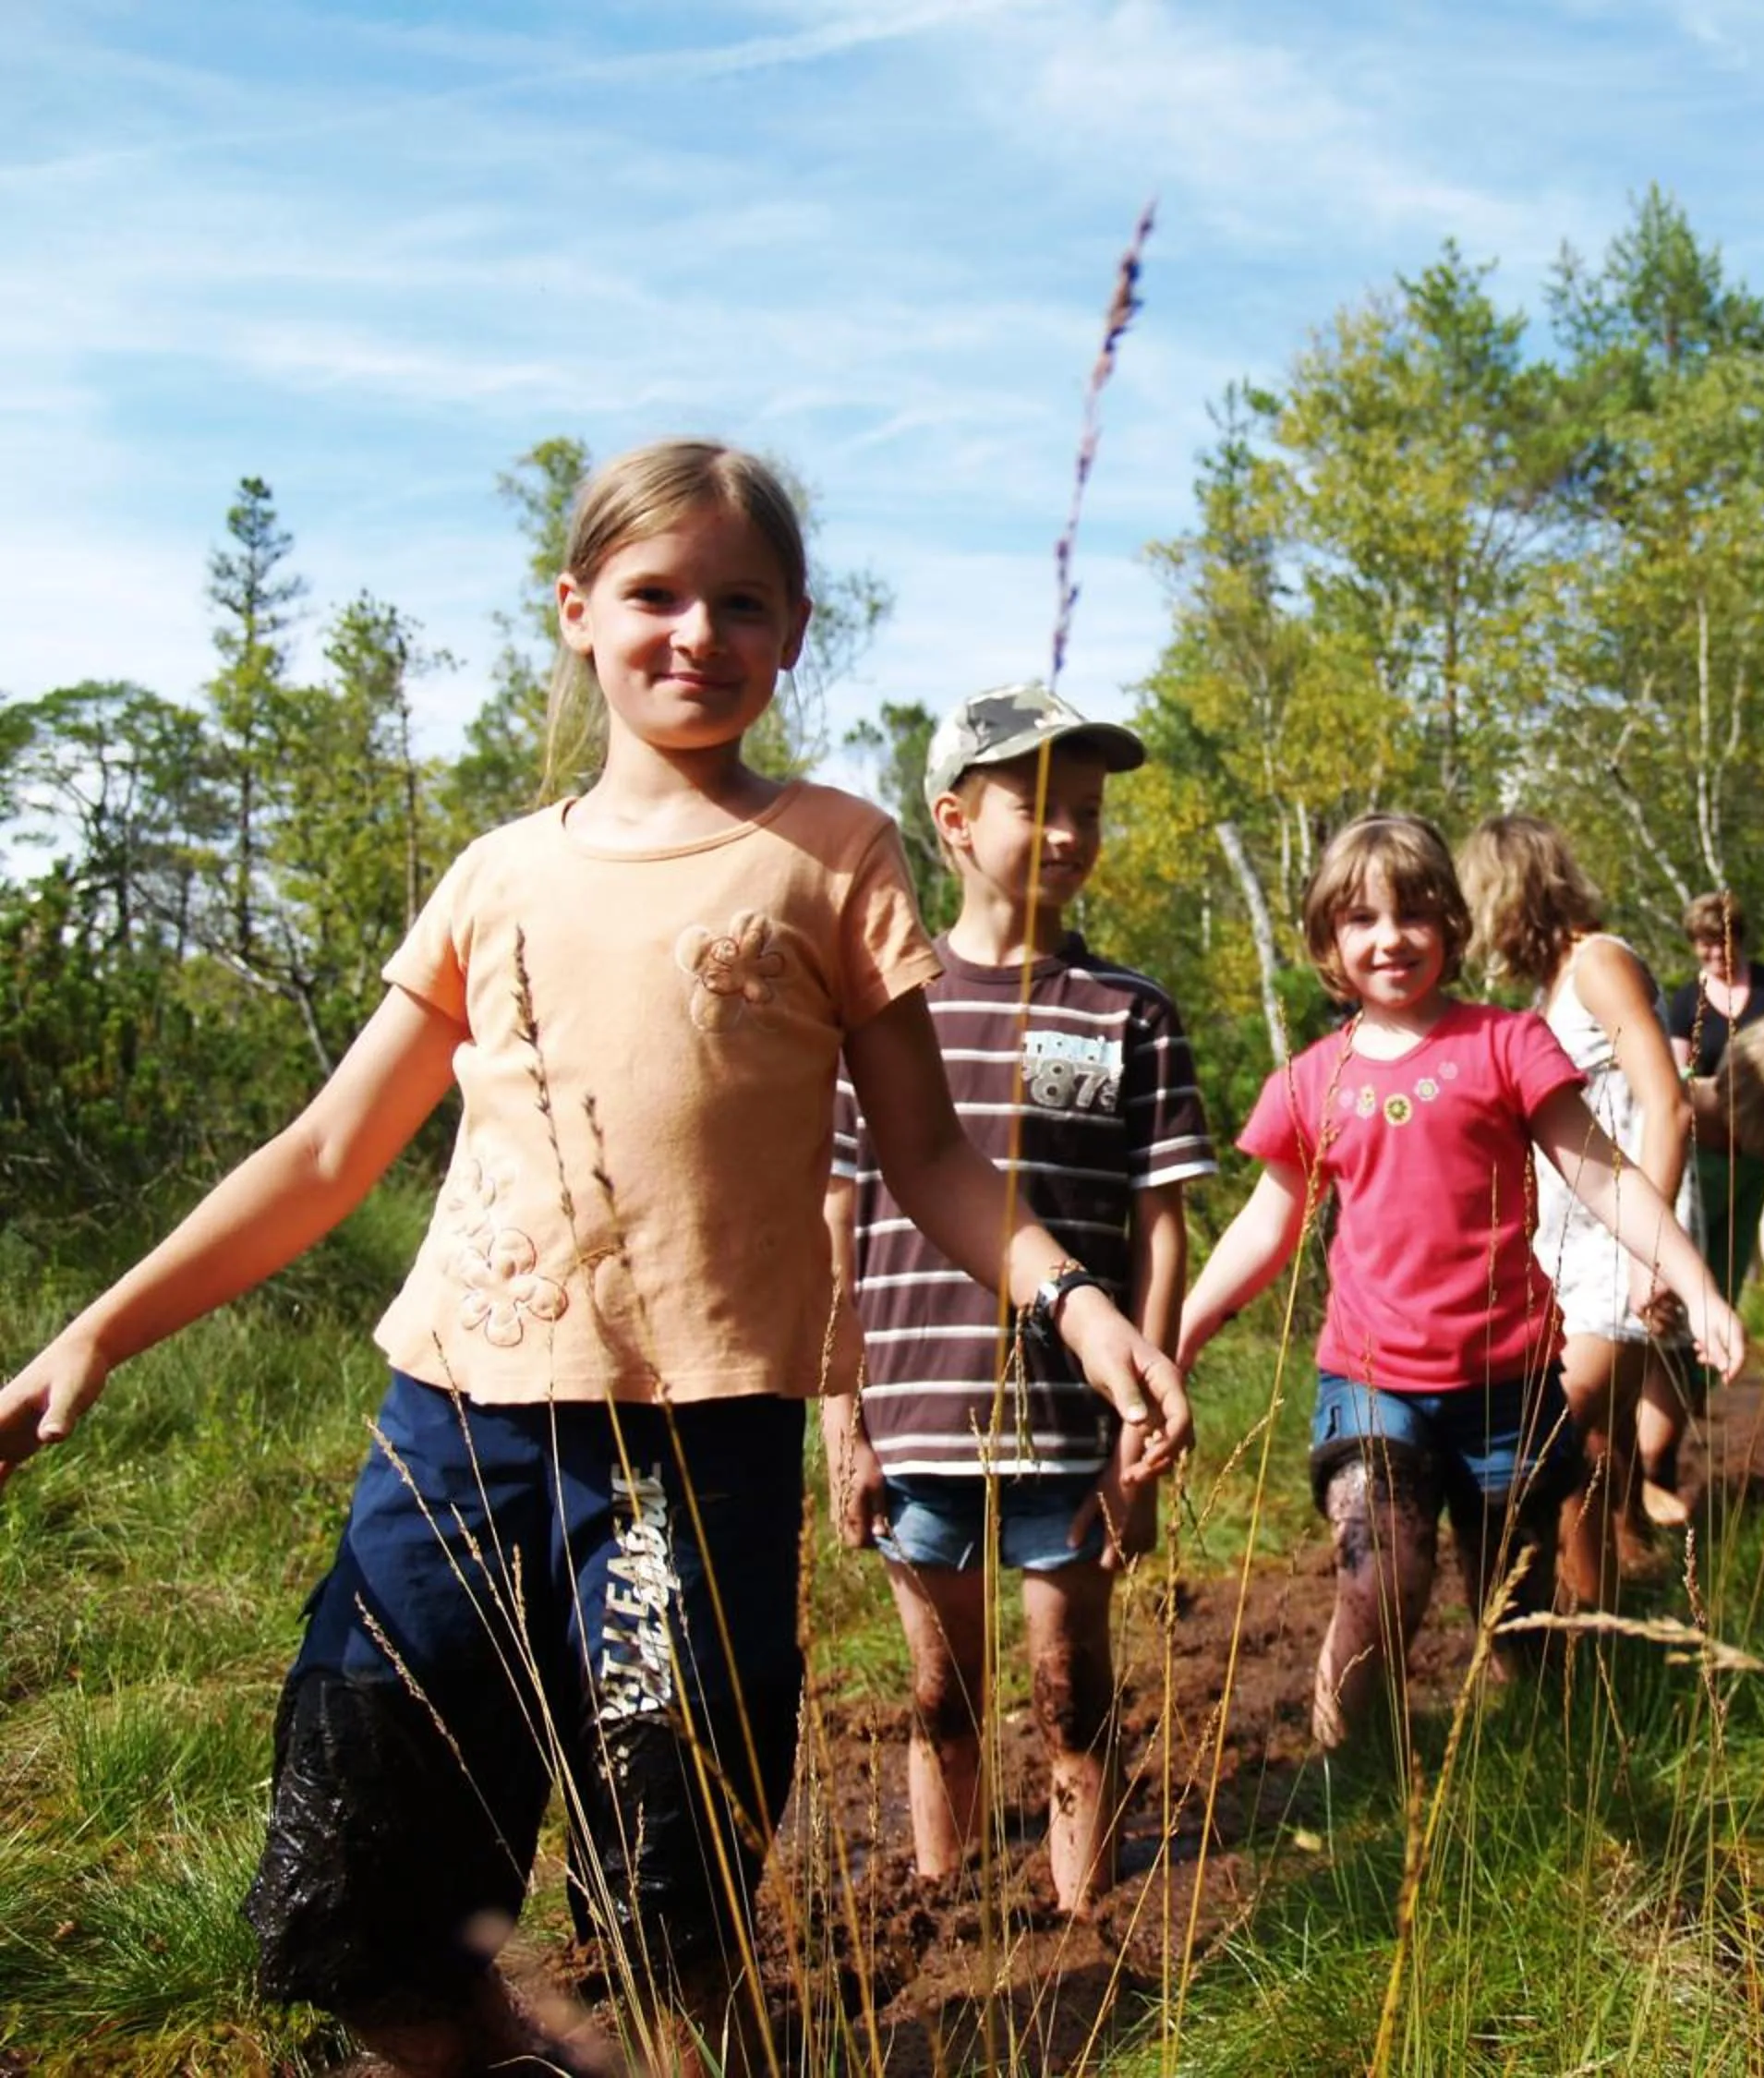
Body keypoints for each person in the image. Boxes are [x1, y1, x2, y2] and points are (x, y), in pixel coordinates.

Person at [0, 441, 1192, 2078]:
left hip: (685, 1457)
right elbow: (328, 1155)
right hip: (451, 1434)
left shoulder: (834, 854)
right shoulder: (499, 875)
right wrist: (99, 1334)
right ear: (577, 612)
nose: (695, 631)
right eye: (655, 594)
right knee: (369, 1852)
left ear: (792, 635)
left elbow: (926, 1156)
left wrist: (1075, 1301)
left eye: (742, 602)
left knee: (673, 1868)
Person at [1178, 815, 1740, 1749]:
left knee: (1513, 1601)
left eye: (1412, 914)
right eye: (1360, 918)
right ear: (1328, 939)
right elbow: (1267, 1221)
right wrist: (1184, 1332)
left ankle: (1556, 1754)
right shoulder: (1314, 1078)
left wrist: (1699, 1283)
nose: (1389, 937)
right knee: (1379, 1581)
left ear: (1451, 924)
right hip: (1370, 1378)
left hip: (1506, 1383)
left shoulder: (1505, 1045)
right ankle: (1347, 1772)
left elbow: (1602, 1173)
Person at [823, 683, 1214, 1918]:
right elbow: (836, 1216)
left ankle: (1076, 1917)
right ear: (952, 821)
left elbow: (1160, 1223)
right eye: (1033, 806)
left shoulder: (1129, 1011)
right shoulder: (883, 1010)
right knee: (937, 1688)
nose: (1065, 834)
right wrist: (842, 1416)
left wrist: (1138, 1417)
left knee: (1069, 1687)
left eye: (1087, 810)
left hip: (1068, 1422)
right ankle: (938, 1905)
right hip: (914, 1410)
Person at [1457, 814, 1696, 1601]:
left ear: (1511, 892)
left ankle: (1593, 1634)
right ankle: (1612, 1605)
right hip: (1569, 1246)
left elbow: (1669, 1105)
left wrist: (1648, 1250)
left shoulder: (1599, 962)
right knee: (1592, 1439)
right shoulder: (1549, 987)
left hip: (1618, 1243)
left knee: (1560, 1431)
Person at [1663, 890, 1764, 1311]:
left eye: (1722, 941)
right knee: (1705, 1228)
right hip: (1712, 1136)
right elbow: (1677, 1071)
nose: (1714, 952)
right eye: (1704, 943)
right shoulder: (1687, 1000)